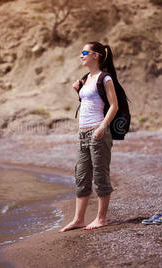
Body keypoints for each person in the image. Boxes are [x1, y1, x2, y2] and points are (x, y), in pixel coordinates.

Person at [60, 41, 119, 232]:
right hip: (83, 133)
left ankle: (101, 218)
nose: (81, 55)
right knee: (82, 175)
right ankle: (78, 219)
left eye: (85, 52)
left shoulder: (105, 78)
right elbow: (89, 101)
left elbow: (114, 106)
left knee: (100, 175)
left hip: (98, 131)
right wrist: (78, 90)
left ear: (97, 56)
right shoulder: (87, 78)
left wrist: (102, 127)